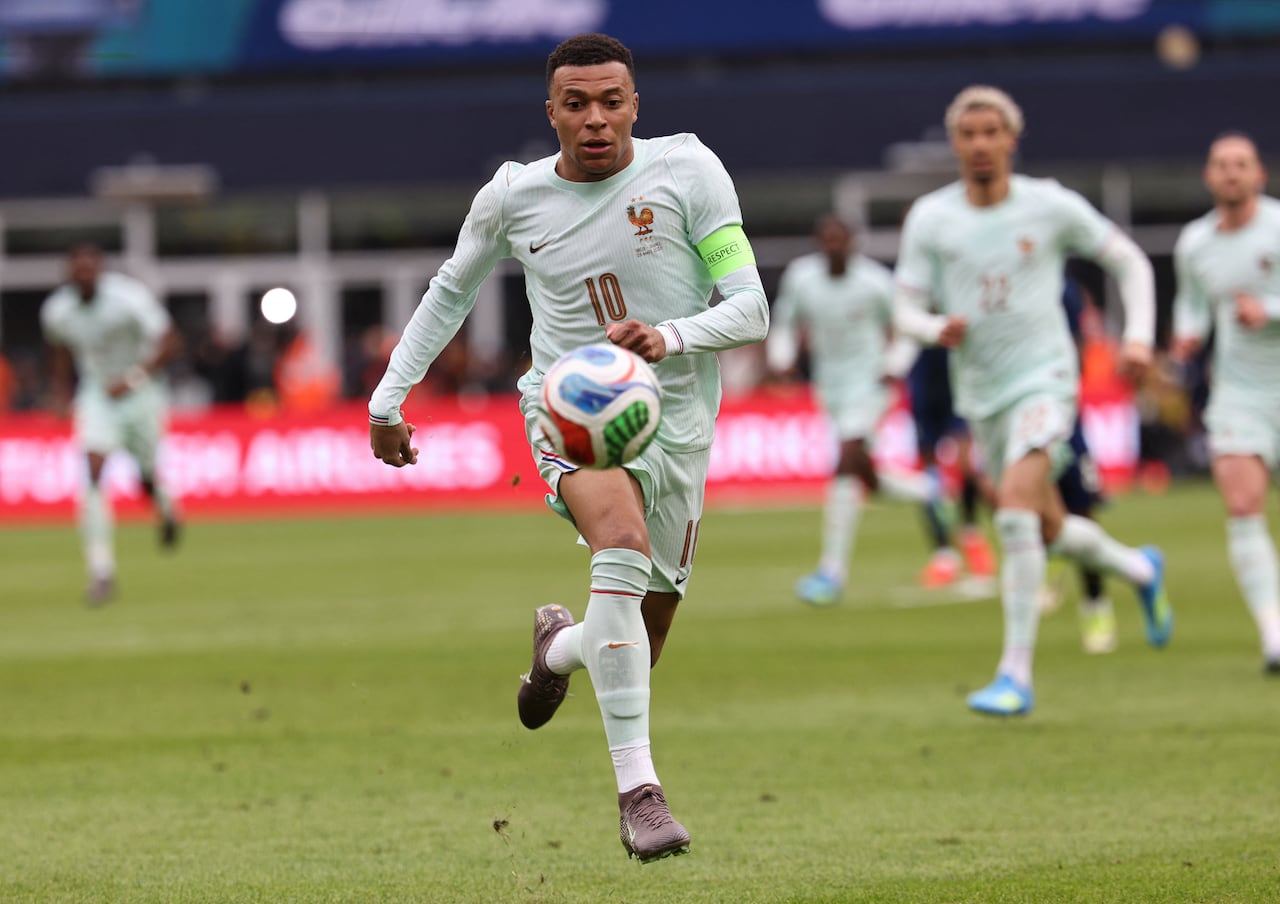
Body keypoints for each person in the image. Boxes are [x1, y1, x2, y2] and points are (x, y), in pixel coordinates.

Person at [366, 34, 768, 861]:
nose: (595, 119)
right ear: (550, 112)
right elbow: (452, 290)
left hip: (680, 424)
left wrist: (669, 335)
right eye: (576, 104)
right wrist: (387, 400)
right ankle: (641, 797)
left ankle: (558, 647)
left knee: (637, 642)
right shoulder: (512, 197)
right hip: (571, 414)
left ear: (634, 106)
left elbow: (751, 308)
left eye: (610, 101)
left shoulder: (690, 172)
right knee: (616, 540)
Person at [893, 85, 1173, 716]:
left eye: (993, 132)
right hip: (982, 397)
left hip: (1046, 381)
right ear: (956, 143)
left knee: (1015, 509)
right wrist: (933, 328)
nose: (981, 144)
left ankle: (1014, 673)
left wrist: (1135, 339)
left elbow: (1129, 261)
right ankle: (1140, 570)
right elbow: (902, 306)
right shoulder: (932, 219)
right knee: (1044, 526)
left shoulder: (1049, 205)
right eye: (969, 134)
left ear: (1012, 140)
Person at [767, 214, 946, 605]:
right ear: (819, 242)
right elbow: (784, 321)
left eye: (840, 240)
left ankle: (832, 572)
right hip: (830, 389)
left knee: (846, 462)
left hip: (870, 386)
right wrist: (781, 357)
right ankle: (930, 490)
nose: (833, 246)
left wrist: (894, 366)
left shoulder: (875, 282)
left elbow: (906, 327)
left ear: (852, 243)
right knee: (865, 474)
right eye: (826, 240)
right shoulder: (803, 278)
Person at [1171, 132, 1280, 674]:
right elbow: (1192, 304)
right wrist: (1187, 335)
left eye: (1241, 164)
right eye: (1221, 164)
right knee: (1243, 507)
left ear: (1259, 174)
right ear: (1209, 178)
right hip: (1238, 393)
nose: (1231, 172)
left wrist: (1270, 311)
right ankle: (1274, 634)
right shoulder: (1195, 243)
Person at [40, 244, 181, 604]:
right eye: (78, 270)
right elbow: (60, 349)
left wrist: (132, 379)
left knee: (145, 475)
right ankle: (101, 572)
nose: (85, 275)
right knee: (92, 472)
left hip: (141, 392)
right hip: (97, 394)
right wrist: (61, 393)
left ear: (100, 270)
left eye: (91, 269)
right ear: (70, 274)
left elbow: (169, 342)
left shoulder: (129, 298)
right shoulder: (58, 310)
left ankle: (166, 510)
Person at [907, 344, 996, 587]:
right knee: (928, 470)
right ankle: (944, 555)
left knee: (968, 463)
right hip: (923, 375)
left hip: (958, 370)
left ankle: (971, 536)